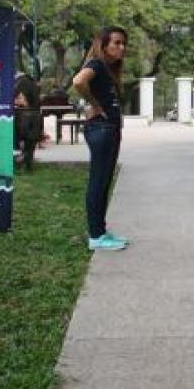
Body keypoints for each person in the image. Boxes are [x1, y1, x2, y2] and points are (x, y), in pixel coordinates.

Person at [72, 26, 130, 252]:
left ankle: (100, 231)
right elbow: (78, 82)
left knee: (103, 181)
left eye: (123, 43)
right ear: (103, 45)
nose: (121, 47)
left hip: (108, 129)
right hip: (102, 129)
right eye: (116, 43)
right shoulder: (96, 64)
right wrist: (95, 105)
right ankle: (96, 235)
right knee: (98, 181)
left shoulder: (106, 68)